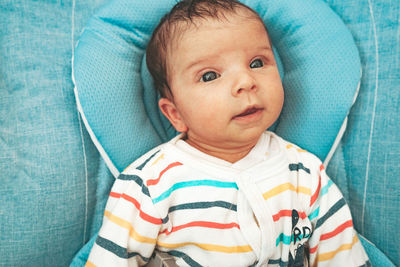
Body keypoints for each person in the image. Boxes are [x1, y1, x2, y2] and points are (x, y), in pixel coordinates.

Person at [86, 0, 370, 266]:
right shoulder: (148, 185)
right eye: (210, 76)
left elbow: (343, 256)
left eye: (257, 63)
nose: (246, 82)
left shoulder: (306, 174)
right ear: (176, 114)